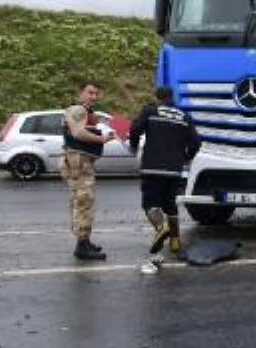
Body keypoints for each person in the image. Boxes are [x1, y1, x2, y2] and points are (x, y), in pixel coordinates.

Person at [128, 86, 201, 271]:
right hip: (174, 170)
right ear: (172, 97)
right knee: (170, 206)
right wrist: (186, 157)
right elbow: (196, 142)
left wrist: (133, 146)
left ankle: (161, 228)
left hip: (152, 168)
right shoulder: (184, 116)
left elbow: (134, 128)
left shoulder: (150, 111)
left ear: (158, 97)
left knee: (150, 204)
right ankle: (176, 242)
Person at [61, 81, 117, 260]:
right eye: (90, 92)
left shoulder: (85, 111)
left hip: (82, 161)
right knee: (84, 201)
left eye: (96, 93)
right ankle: (82, 246)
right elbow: (78, 133)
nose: (93, 96)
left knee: (83, 201)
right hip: (79, 161)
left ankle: (84, 241)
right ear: (80, 92)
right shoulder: (78, 110)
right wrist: (101, 139)